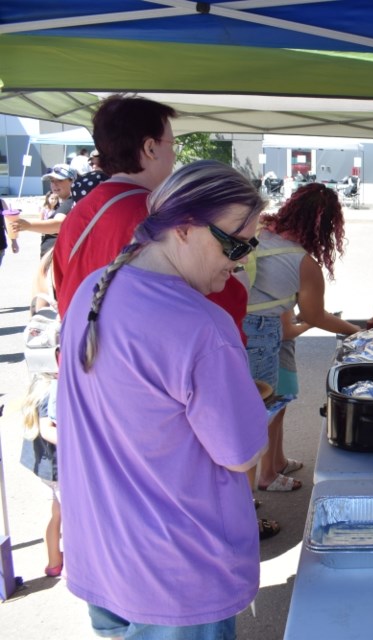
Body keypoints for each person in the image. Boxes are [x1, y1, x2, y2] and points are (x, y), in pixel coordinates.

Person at [57, 161, 268, 637]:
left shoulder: (94, 290)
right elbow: (241, 455)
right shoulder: (201, 327)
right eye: (235, 242)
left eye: (250, 244)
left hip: (104, 556)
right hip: (179, 574)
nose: (241, 258)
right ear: (186, 228)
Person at [243, 182, 361, 492]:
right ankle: (258, 486)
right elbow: (315, 316)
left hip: (245, 326)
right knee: (258, 416)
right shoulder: (303, 262)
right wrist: (359, 331)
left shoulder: (259, 230)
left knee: (274, 401)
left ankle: (275, 463)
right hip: (261, 333)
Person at [53, 95, 177, 320]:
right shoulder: (158, 215)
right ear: (150, 148)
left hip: (79, 347)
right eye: (172, 144)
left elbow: (62, 289)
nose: (174, 155)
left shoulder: (79, 210)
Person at [19, 373, 63, 578]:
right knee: (71, 518)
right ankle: (71, 567)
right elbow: (47, 430)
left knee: (55, 513)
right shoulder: (51, 389)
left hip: (45, 466)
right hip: (57, 468)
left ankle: (54, 561)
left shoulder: (39, 384)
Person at [13, 164, 76, 255]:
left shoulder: (71, 202)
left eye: (60, 180)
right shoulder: (59, 201)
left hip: (58, 258)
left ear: (72, 181)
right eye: (52, 181)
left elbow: (58, 224)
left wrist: (28, 225)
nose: (54, 184)